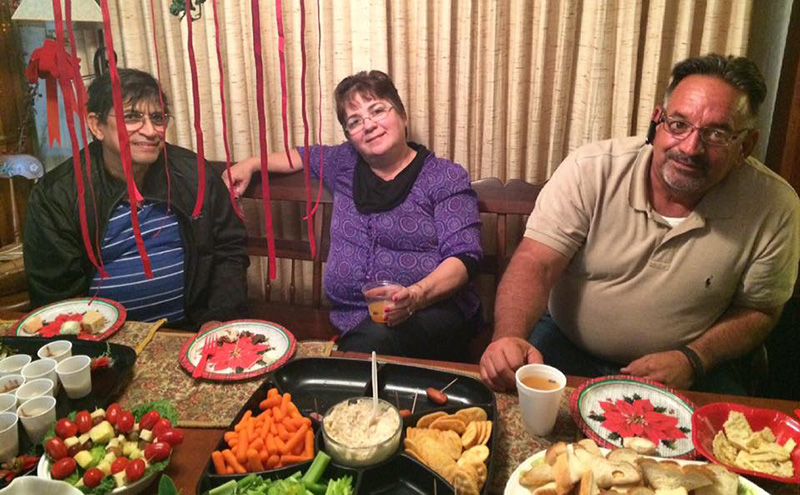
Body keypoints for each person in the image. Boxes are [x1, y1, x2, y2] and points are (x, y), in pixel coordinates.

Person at [480, 54, 800, 394]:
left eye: (717, 134)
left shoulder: (775, 205)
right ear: (657, 121)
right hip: (565, 344)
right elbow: (536, 262)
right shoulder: (591, 169)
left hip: (692, 365)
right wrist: (508, 336)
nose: (691, 148)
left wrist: (694, 358)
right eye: (679, 124)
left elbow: (760, 310)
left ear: (746, 145)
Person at [225, 70, 482, 361]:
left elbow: (465, 256)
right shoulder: (343, 162)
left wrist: (415, 296)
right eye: (355, 121)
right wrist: (251, 164)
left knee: (369, 346)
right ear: (349, 136)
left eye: (378, 110)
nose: (369, 125)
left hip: (428, 312)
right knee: (362, 345)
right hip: (351, 320)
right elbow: (300, 155)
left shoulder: (444, 176)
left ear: (403, 116)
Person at [24, 68, 249, 329]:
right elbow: (56, 294)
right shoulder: (57, 194)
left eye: (157, 118)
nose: (151, 131)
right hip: (103, 337)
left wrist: (218, 318)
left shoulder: (193, 174)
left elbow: (229, 250)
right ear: (96, 125)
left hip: (193, 328)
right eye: (132, 117)